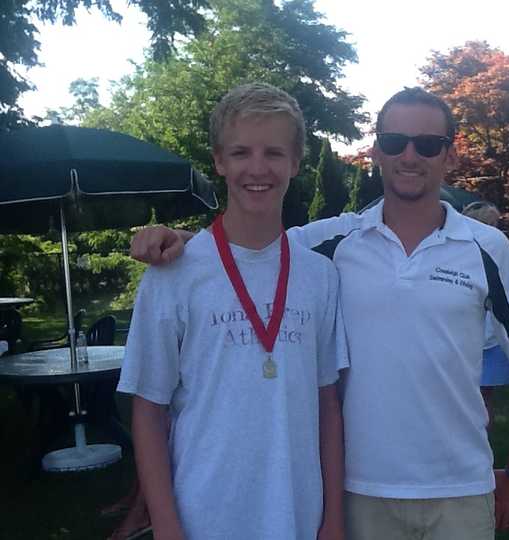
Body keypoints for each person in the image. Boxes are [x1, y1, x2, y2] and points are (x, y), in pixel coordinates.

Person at [130, 87, 509, 538]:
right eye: (395, 142)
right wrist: (180, 239)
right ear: (376, 150)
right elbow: (248, 247)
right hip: (361, 489)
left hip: (460, 486)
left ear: (448, 154)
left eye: (427, 144)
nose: (410, 155)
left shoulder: (487, 247)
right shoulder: (336, 243)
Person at [117, 82, 347, 540]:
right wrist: (165, 524)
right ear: (219, 161)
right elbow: (148, 409)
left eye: (274, 153)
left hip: (299, 514)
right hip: (205, 514)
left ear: (296, 163)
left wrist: (334, 519)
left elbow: (327, 405)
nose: (257, 169)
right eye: (241, 152)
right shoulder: (172, 274)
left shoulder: (320, 275)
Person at [462, 201, 509, 429]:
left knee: (484, 397)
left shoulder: (498, 251)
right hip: (463, 340)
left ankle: (483, 447)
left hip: (489, 339)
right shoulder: (457, 253)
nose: (496, 229)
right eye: (491, 224)